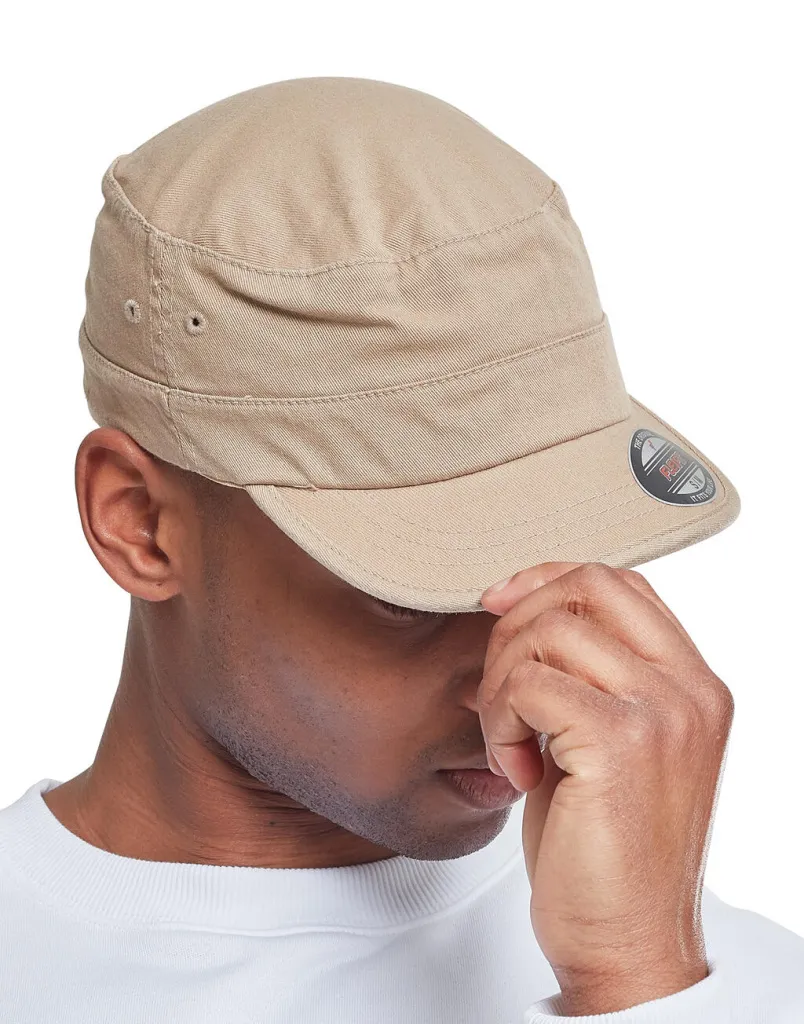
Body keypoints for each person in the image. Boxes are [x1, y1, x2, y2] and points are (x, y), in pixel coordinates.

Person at [1, 76, 802, 1023]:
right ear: (137, 521)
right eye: (413, 593)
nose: (514, 684)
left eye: (561, 562)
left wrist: (637, 983)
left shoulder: (723, 985)